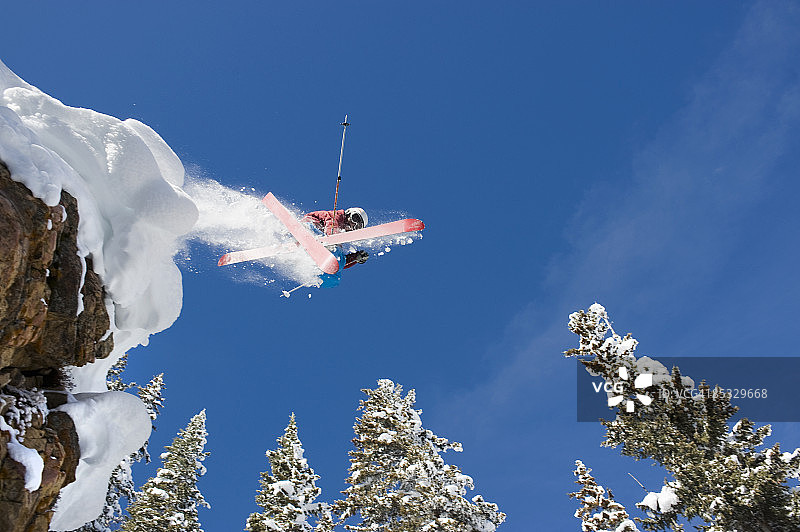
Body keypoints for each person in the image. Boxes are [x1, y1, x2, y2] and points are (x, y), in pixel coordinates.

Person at [302, 207, 369, 270]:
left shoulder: (339, 234)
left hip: (317, 241)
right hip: (311, 226)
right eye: (355, 218)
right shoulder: (336, 216)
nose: (353, 224)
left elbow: (340, 262)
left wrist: (354, 258)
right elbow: (331, 225)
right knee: (336, 251)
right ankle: (306, 230)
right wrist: (333, 242)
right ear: (348, 213)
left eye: (358, 226)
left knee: (338, 260)